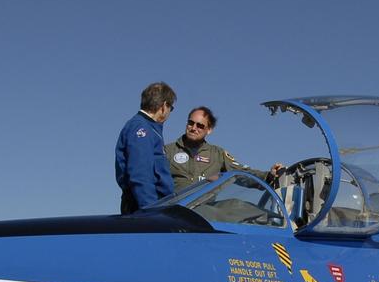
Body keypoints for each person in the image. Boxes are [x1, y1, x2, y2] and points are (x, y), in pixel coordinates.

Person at [164, 106, 284, 192]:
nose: (194, 128)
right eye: (191, 123)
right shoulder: (167, 151)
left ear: (209, 130)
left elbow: (241, 173)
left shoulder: (217, 154)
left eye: (200, 125)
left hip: (203, 215)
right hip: (173, 214)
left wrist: (268, 176)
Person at [115, 82, 177, 214]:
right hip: (145, 207)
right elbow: (140, 174)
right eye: (171, 108)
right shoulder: (142, 128)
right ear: (164, 106)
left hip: (155, 205)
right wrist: (151, 212)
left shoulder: (150, 129)